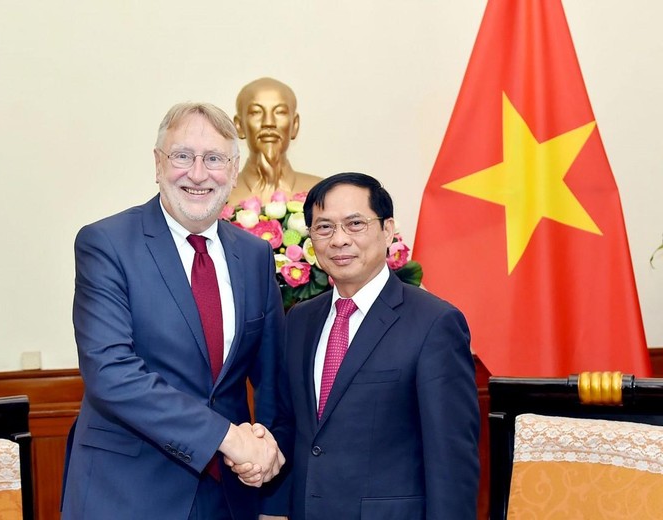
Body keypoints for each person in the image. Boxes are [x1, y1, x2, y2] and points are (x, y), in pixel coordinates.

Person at [61, 102, 287, 520]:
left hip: (230, 495)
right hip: (127, 492)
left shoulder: (255, 255)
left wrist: (271, 485)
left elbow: (272, 381)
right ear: (158, 163)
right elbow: (111, 373)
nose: (198, 174)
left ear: (234, 170)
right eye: (183, 156)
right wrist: (226, 438)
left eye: (214, 159)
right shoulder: (106, 244)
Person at [249, 172, 480, 519]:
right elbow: (293, 424)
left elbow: (452, 461)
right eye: (324, 228)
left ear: (387, 230)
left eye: (355, 224)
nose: (339, 240)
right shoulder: (300, 319)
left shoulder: (434, 323)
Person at [228, 77, 323, 206]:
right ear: (239, 126)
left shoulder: (321, 192)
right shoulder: (221, 195)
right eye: (256, 112)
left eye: (280, 112)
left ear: (294, 125)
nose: (268, 123)